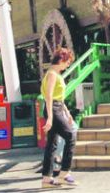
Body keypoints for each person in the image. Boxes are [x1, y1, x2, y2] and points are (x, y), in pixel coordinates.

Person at [41, 47, 77, 188]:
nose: (67, 65)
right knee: (70, 136)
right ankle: (64, 173)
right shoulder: (52, 74)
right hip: (53, 110)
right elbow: (49, 96)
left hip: (57, 108)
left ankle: (46, 178)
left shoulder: (55, 74)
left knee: (52, 144)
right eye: (67, 62)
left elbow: (59, 97)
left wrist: (67, 113)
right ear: (61, 59)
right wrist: (50, 118)